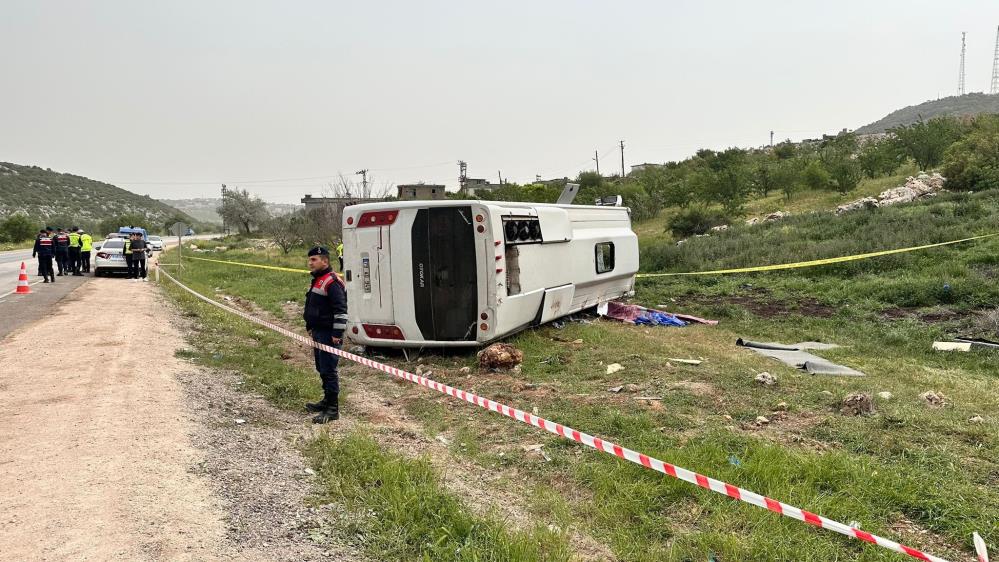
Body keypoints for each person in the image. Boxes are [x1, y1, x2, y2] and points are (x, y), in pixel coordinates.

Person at [303, 246, 348, 424]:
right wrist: (310, 326)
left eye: (314, 260)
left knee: (329, 371)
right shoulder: (318, 279)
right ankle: (325, 401)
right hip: (318, 332)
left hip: (329, 334)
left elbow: (341, 310)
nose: (310, 263)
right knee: (321, 368)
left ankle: (332, 410)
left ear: (325, 261)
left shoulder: (332, 282)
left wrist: (337, 333)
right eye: (310, 260)